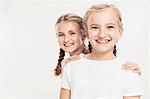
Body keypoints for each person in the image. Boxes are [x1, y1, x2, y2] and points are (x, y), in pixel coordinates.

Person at [60, 4, 143, 99]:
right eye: (95, 27)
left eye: (110, 27)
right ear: (86, 33)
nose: (102, 34)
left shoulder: (129, 73)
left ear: (120, 32)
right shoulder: (71, 66)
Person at [54, 13, 141, 76]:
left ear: (84, 34)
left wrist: (133, 72)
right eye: (61, 35)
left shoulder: (95, 59)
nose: (66, 39)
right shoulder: (67, 63)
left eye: (72, 33)